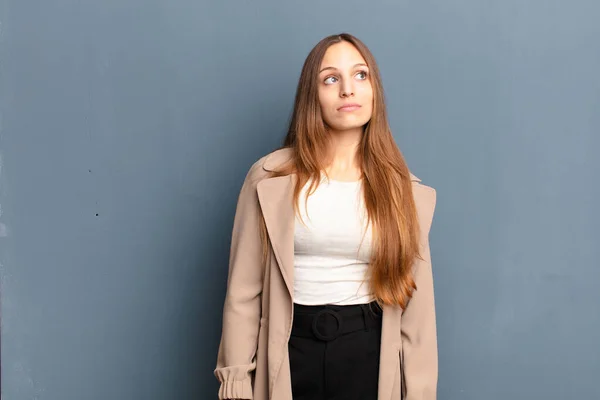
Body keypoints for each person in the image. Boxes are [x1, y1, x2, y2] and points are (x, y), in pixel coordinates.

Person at [214, 32, 438, 400]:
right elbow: (243, 291)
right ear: (312, 96)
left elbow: (417, 313)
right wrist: (237, 382)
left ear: (374, 91)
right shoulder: (270, 178)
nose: (348, 89)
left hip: (368, 349)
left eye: (361, 75)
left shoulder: (402, 190)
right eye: (331, 78)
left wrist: (419, 392)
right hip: (288, 348)